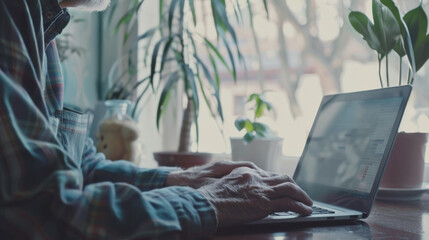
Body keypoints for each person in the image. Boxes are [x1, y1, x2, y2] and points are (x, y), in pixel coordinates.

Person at [0, 0, 313, 239]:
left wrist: (181, 179)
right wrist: (209, 200)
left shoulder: (41, 29)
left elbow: (82, 169)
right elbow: (46, 215)